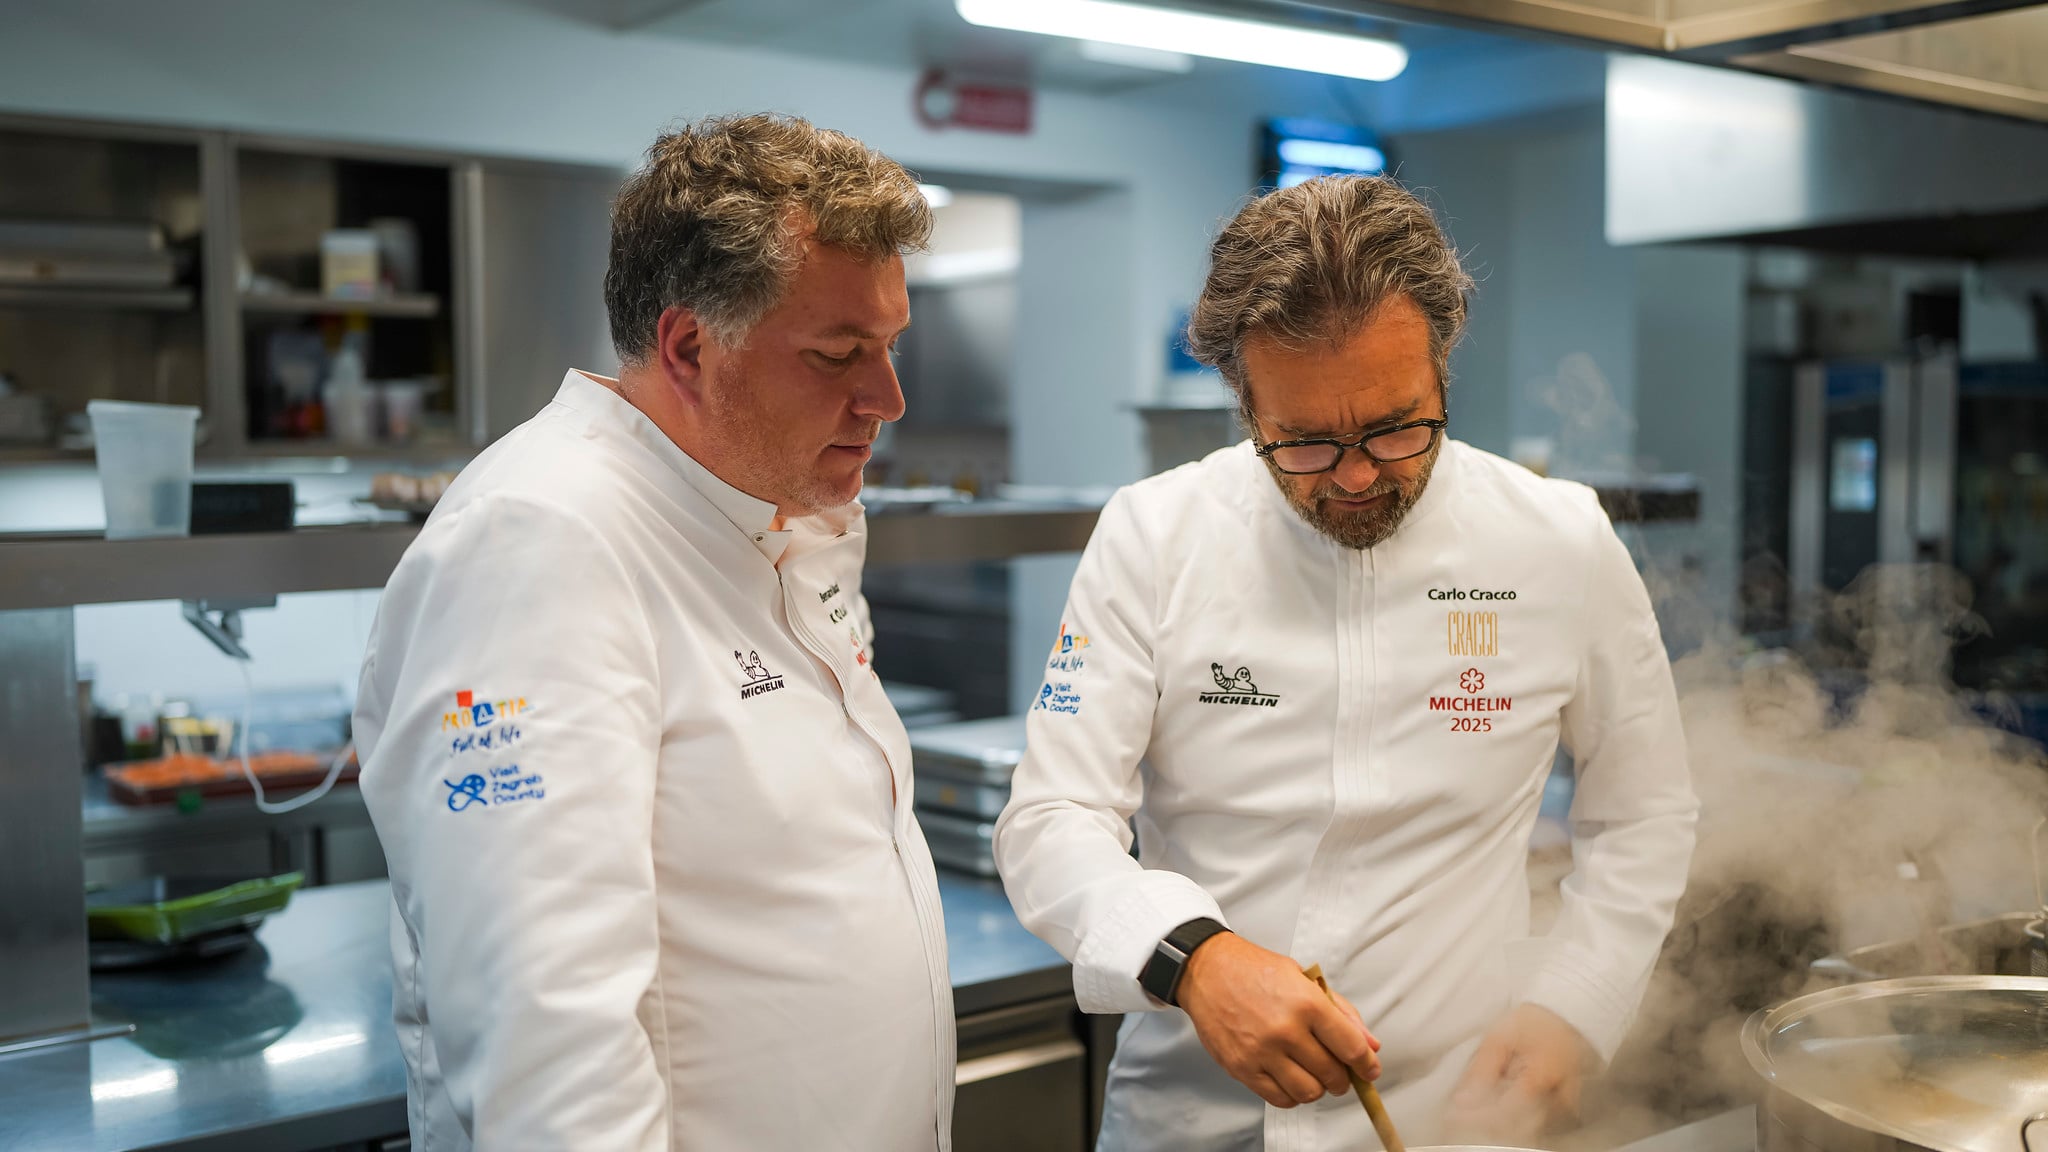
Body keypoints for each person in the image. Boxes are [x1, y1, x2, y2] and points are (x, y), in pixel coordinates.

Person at [994, 175, 1699, 1152]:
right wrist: (1191, 959)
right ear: (1244, 403)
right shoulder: (1155, 536)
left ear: (1442, 364)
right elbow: (1051, 818)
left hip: (1457, 1115)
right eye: (1305, 443)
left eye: (1395, 426)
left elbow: (1643, 813)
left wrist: (1575, 1000)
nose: (1358, 475)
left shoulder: (1558, 539)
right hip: (1196, 1119)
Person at [354, 114, 955, 1150]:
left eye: (889, 347)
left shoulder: (766, 517)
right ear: (688, 347)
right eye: (837, 354)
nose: (886, 399)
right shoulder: (541, 544)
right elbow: (547, 1032)